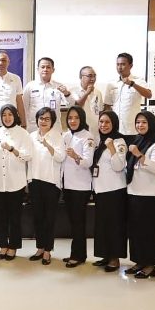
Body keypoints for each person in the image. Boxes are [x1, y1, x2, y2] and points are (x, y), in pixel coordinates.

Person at [125, 111, 155, 279]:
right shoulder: (137, 140)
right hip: (134, 192)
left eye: (144, 122)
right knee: (136, 230)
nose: (140, 125)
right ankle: (139, 260)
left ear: (151, 125)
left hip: (150, 195)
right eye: (138, 122)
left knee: (149, 231)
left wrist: (138, 154)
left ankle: (150, 265)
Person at [0, 105, 32, 260]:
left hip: (15, 182)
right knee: (0, 217)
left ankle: (13, 246)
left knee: (15, 217)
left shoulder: (23, 133)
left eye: (10, 114)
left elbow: (28, 156)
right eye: (4, 115)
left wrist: (12, 149)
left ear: (15, 115)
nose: (7, 118)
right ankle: (3, 245)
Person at [27, 107, 66, 265]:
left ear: (52, 121)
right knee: (38, 217)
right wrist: (28, 180)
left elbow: (61, 157)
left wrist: (47, 145)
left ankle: (48, 250)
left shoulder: (57, 136)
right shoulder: (31, 136)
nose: (43, 121)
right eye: (41, 118)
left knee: (49, 219)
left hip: (51, 183)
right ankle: (40, 248)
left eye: (47, 119)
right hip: (35, 181)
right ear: (37, 120)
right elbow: (28, 158)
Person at [90, 111, 128, 273]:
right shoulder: (100, 140)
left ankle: (114, 258)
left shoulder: (119, 141)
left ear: (114, 124)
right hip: (100, 189)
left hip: (114, 190)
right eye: (101, 122)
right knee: (102, 225)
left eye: (107, 122)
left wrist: (111, 147)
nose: (103, 125)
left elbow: (119, 166)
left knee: (114, 225)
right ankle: (105, 255)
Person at [60, 106, 95, 268]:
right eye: (70, 118)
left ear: (82, 119)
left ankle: (78, 256)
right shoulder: (66, 135)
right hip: (67, 185)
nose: (72, 121)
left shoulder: (88, 137)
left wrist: (75, 156)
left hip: (81, 187)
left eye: (76, 118)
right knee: (73, 222)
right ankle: (76, 253)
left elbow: (88, 162)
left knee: (78, 222)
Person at [104, 52, 152, 136]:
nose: (120, 67)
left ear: (130, 66)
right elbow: (107, 106)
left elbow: (149, 95)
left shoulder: (139, 80)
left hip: (132, 129)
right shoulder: (111, 84)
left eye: (123, 64)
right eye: (118, 64)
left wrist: (132, 84)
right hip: (115, 128)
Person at [22, 57, 72, 134]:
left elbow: (71, 105)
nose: (45, 69)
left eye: (48, 67)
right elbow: (24, 107)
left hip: (54, 129)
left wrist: (66, 94)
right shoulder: (30, 86)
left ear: (53, 70)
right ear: (38, 69)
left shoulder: (59, 86)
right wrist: (24, 125)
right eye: (42, 67)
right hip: (34, 129)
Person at [70, 65, 103, 141]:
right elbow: (77, 106)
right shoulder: (73, 91)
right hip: (79, 133)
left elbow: (100, 112)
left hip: (95, 132)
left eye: (94, 76)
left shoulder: (98, 93)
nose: (93, 79)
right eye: (90, 76)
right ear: (81, 77)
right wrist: (87, 93)